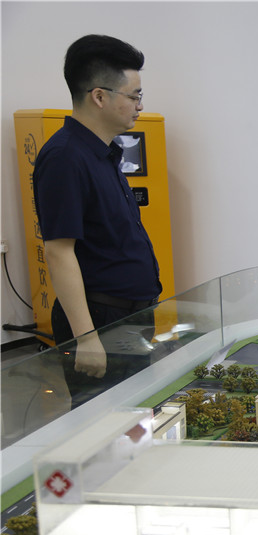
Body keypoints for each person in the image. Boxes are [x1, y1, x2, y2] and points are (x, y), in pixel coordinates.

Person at [34, 35, 160, 403]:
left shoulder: (103, 153)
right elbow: (58, 251)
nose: (140, 106)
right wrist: (86, 338)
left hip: (128, 317)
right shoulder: (65, 158)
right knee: (104, 422)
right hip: (100, 320)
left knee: (135, 417)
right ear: (99, 96)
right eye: (134, 96)